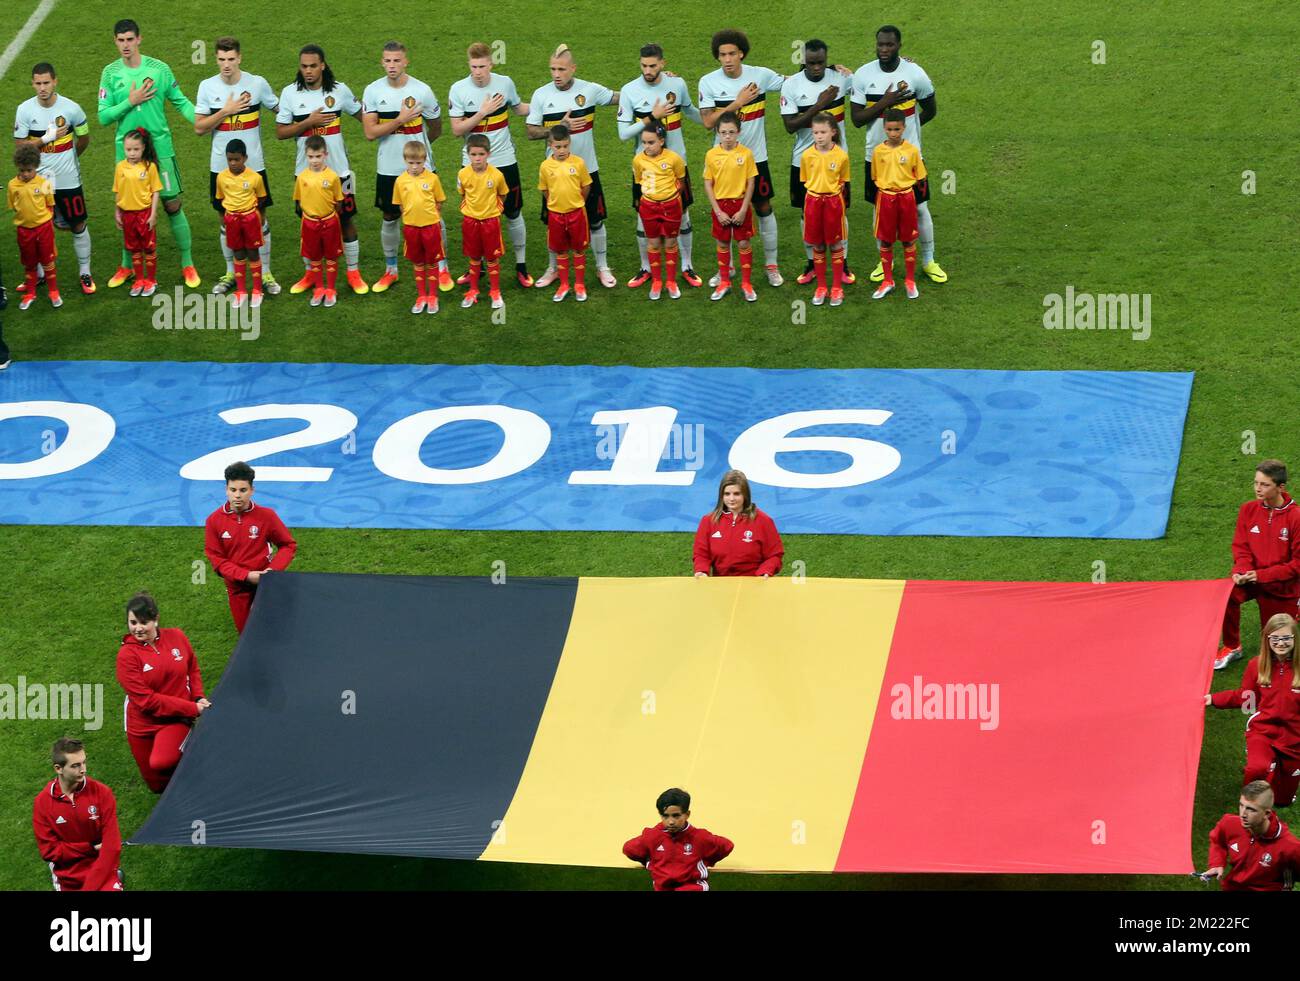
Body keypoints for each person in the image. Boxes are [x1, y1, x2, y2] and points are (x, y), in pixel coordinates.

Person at [97, 19, 199, 289]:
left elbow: (181, 102)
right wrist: (130, 101)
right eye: (120, 40)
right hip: (127, 153)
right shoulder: (110, 73)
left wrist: (202, 120)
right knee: (129, 208)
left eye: (130, 39)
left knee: (171, 204)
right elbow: (103, 116)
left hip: (160, 151)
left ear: (139, 39)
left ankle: (187, 263)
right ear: (115, 41)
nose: (126, 45)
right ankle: (127, 266)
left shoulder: (160, 70)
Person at [849, 25, 946, 285]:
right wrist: (885, 102)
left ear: (899, 45)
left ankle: (928, 260)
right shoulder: (863, 75)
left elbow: (930, 109)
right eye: (880, 44)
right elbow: (857, 119)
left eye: (889, 45)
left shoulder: (915, 74)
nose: (883, 49)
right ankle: (885, 262)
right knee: (881, 209)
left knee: (920, 207)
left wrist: (907, 137)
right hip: (876, 158)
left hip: (910, 158)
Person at [276, 44, 369, 294]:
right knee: (309, 222)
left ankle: (353, 272)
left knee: (347, 219)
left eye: (313, 66)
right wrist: (308, 122)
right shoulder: (289, 94)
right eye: (304, 66)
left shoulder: (339, 91)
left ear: (323, 65)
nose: (308, 71)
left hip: (343, 173)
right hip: (304, 174)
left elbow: (365, 116)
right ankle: (310, 273)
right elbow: (281, 132)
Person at [698, 29, 786, 288]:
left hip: (756, 159)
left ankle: (771, 266)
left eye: (732, 54)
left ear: (741, 54)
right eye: (722, 55)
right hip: (723, 161)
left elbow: (796, 80)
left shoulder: (760, 75)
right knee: (725, 212)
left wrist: (831, 69)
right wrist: (736, 104)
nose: (727, 59)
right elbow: (707, 122)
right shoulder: (708, 82)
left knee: (763, 208)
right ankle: (727, 268)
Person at [526, 44, 619, 289]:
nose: (556, 74)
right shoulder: (541, 95)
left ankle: (602, 267)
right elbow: (531, 132)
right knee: (553, 223)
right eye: (553, 69)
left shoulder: (589, 90)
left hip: (587, 170)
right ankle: (553, 268)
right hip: (554, 174)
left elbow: (622, 97)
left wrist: (661, 82)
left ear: (573, 68)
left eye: (561, 69)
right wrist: (558, 128)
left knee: (596, 220)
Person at [194, 37, 280, 297]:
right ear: (216, 59)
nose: (226, 65)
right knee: (226, 219)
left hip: (255, 167)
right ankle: (231, 272)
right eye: (221, 59)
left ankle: (265, 272)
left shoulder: (257, 84)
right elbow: (199, 128)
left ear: (240, 58)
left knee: (260, 218)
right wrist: (226, 111)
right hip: (220, 168)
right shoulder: (207, 87)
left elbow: (280, 110)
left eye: (231, 59)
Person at [362, 41, 447, 294]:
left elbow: (436, 126)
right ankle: (391, 270)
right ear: (381, 62)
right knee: (390, 217)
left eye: (396, 60)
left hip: (422, 168)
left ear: (406, 61)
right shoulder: (373, 91)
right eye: (387, 60)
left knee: (434, 216)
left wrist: (419, 150)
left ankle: (441, 268)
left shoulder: (422, 90)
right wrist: (400, 120)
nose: (392, 65)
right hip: (389, 168)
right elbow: (369, 132)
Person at [447, 42, 533, 289]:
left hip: (504, 160)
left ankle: (521, 266)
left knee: (513, 212)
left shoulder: (505, 83)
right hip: (472, 163)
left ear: (491, 64)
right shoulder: (458, 89)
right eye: (473, 66)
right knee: (476, 216)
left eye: (482, 66)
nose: (478, 72)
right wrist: (482, 112)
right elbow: (456, 129)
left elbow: (519, 109)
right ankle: (478, 266)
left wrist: (549, 106)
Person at [617, 43, 703, 289]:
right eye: (644, 65)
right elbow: (623, 134)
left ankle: (687, 266)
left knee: (683, 216)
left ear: (663, 64)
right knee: (643, 219)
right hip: (645, 168)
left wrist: (714, 119)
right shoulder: (629, 90)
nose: (648, 70)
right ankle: (646, 268)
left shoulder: (677, 84)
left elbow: (691, 112)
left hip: (678, 164)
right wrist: (651, 116)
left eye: (653, 65)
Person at [115, 591, 209, 793]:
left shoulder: (177, 636)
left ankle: (197, 757)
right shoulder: (127, 656)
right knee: (158, 787)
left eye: (143, 622)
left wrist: (197, 697)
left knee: (161, 761)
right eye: (132, 623)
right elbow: (147, 702)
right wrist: (194, 707)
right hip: (143, 725)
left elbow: (192, 666)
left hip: (177, 717)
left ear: (156, 619)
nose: (138, 628)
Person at [13, 62, 95, 293]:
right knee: (36, 226)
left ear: (55, 81)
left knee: (78, 223)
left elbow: (84, 138)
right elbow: (20, 149)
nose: (42, 88)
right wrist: (44, 140)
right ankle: (38, 274)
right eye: (38, 83)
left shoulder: (72, 109)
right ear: (32, 83)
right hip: (37, 181)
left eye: (46, 82)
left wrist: (72, 159)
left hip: (68, 178)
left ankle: (85, 272)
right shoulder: (25, 110)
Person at [1207, 613, 1300, 807]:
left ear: (1295, 639)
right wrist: (1214, 699)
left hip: (1294, 737)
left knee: (1283, 800)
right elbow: (1246, 699)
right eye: (1275, 638)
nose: (1280, 643)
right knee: (1256, 768)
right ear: (1267, 639)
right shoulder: (1256, 665)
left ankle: (1278, 774)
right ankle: (1248, 805)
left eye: (1286, 638)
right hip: (1263, 731)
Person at [782, 40, 854, 287]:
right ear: (803, 61)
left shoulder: (842, 78)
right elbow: (790, 125)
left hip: (837, 161)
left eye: (820, 62)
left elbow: (869, 78)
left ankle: (842, 262)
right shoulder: (791, 85)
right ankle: (813, 262)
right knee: (807, 214)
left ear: (827, 59)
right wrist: (821, 104)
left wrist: (908, 61)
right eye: (811, 63)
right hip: (804, 162)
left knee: (839, 211)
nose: (816, 67)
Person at [1217, 460, 1300, 669]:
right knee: (1227, 595)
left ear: (1281, 487)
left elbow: (1297, 565)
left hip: (1284, 587)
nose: (1257, 488)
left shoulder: (1296, 517)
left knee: (1276, 650)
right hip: (1253, 580)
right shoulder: (1248, 510)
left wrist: (1262, 576)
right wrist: (1241, 571)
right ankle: (1232, 646)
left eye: (1264, 485)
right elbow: (1241, 547)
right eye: (1256, 483)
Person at [203, 460, 297, 633]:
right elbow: (218, 561)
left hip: (266, 583)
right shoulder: (214, 521)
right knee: (248, 635)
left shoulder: (267, 516)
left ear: (252, 490)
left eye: (243, 490)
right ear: (226, 490)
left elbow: (288, 545)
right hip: (237, 588)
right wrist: (246, 576)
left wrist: (272, 571)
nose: (237, 495)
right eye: (233, 490)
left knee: (277, 630)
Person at [32, 737, 123, 891]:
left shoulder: (102, 793)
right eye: (75, 766)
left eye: (84, 762)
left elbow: (112, 847)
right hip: (67, 877)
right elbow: (49, 851)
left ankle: (116, 878)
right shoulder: (43, 803)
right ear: (58, 769)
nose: (83, 770)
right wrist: (89, 848)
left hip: (102, 870)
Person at [622, 788, 734, 891]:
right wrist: (651, 861)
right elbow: (629, 849)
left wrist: (705, 861)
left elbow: (727, 846)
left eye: (676, 816)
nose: (671, 821)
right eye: (665, 816)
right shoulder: (652, 836)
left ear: (687, 814)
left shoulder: (700, 837)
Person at [870, 108, 925, 300]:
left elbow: (919, 176)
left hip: (906, 198)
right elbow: (875, 176)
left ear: (904, 128)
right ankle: (888, 281)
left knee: (908, 239)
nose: (893, 134)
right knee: (886, 239)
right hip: (885, 198)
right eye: (889, 129)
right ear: (884, 128)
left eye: (897, 129)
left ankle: (910, 280)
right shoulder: (878, 152)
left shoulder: (911, 150)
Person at [702, 111, 757, 301]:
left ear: (738, 132)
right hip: (721, 206)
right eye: (724, 132)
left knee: (743, 242)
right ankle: (724, 281)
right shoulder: (711, 155)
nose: (727, 136)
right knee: (723, 242)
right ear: (717, 132)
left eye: (731, 132)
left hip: (740, 204)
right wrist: (717, 211)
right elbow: (708, 183)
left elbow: (751, 183)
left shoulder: (746, 154)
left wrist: (743, 209)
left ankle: (746, 283)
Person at [1204, 781, 1300, 890]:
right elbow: (1218, 841)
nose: (1243, 814)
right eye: (1241, 805)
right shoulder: (1229, 824)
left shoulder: (1290, 847)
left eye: (1251, 809)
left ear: (1266, 814)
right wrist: (1217, 863)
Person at [800, 112, 851, 306]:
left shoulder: (841, 156)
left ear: (833, 132)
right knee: (818, 245)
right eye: (815, 132)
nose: (819, 136)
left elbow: (843, 181)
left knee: (836, 244)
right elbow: (805, 179)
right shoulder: (807, 155)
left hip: (833, 202)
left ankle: (836, 288)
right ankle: (821, 287)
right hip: (813, 201)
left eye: (823, 132)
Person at [693, 468, 783, 577]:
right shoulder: (708, 521)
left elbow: (774, 555)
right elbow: (701, 553)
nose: (731, 499)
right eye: (727, 494)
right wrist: (702, 570)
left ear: (745, 495)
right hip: (720, 585)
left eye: (736, 494)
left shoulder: (763, 521)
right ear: (721, 496)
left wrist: (765, 571)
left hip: (754, 584)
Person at [631, 123, 686, 300]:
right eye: (644, 143)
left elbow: (681, 181)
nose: (647, 146)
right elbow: (639, 180)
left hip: (671, 206)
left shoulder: (674, 159)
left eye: (651, 142)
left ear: (661, 141)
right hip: (649, 206)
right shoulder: (638, 160)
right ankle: (657, 281)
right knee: (653, 243)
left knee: (670, 243)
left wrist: (668, 196)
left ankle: (671, 281)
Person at [537, 124, 592, 303]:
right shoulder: (545, 166)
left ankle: (579, 285)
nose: (562, 150)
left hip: (576, 213)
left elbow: (586, 186)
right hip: (556, 215)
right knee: (560, 250)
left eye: (565, 146)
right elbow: (545, 190)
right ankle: (564, 284)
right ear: (550, 145)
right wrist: (555, 203)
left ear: (570, 144)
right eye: (558, 147)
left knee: (578, 249)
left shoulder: (578, 163)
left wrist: (577, 202)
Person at [392, 140, 447, 315]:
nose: (415, 167)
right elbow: (399, 204)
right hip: (411, 227)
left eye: (418, 163)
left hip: (430, 227)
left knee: (431, 262)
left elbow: (439, 202)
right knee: (417, 262)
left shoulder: (432, 179)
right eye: (411, 163)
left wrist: (432, 218)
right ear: (404, 161)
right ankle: (421, 296)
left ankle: (433, 296)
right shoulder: (400, 181)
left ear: (425, 161)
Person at [214, 139, 268, 307]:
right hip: (232, 219)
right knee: (238, 253)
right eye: (230, 159)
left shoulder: (255, 177)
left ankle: (258, 290)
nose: (233, 163)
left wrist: (250, 211)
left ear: (244, 158)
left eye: (236, 159)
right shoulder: (222, 177)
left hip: (250, 218)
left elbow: (262, 197)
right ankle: (241, 291)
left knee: (252, 253)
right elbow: (220, 197)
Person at [456, 133, 507, 310]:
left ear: (488, 154)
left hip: (490, 222)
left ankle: (495, 291)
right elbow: (462, 193)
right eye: (473, 154)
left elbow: (503, 194)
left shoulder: (497, 175)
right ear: (468, 154)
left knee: (492, 257)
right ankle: (473, 290)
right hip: (470, 221)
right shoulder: (463, 174)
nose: (477, 158)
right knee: (474, 257)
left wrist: (495, 211)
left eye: (481, 154)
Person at [293, 134, 344, 307]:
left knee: (331, 256)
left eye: (318, 156)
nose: (314, 161)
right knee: (314, 257)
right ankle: (319, 289)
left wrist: (327, 215)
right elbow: (300, 201)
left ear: (325, 155)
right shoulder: (302, 178)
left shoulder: (332, 177)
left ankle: (330, 289)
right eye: (311, 157)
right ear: (306, 156)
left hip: (329, 221)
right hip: (309, 223)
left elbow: (338, 201)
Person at [8, 143, 60, 309]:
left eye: (29, 170)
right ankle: (30, 293)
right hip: (24, 230)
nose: (25, 174)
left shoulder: (44, 183)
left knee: (48, 261)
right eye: (22, 170)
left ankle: (54, 291)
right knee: (29, 263)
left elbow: (50, 205)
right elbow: (14, 206)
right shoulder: (12, 185)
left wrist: (43, 222)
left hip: (43, 228)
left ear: (36, 167)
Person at [111, 128, 162, 298]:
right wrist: (117, 212)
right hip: (128, 215)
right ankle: (139, 280)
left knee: (148, 248)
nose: (132, 153)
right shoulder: (120, 167)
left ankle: (152, 280)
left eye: (136, 149)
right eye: (128, 149)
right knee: (134, 249)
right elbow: (117, 190)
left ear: (143, 148)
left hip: (144, 214)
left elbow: (156, 192)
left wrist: (153, 214)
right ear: (124, 148)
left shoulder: (150, 167)